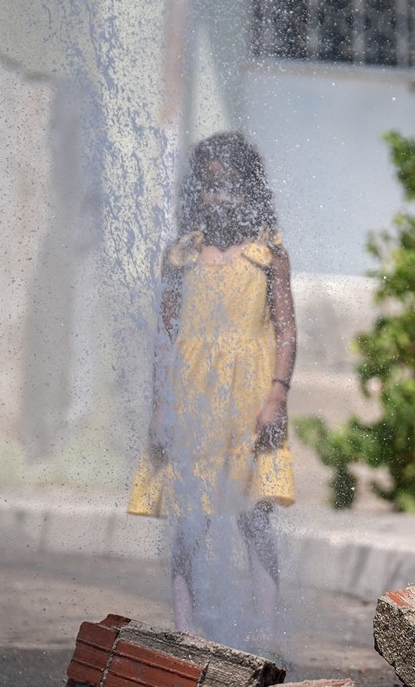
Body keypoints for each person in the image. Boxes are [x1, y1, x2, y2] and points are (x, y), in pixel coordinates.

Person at [127, 132, 296, 656]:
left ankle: (266, 634)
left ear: (251, 191)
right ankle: (187, 629)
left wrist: (277, 396)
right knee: (188, 516)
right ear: (194, 192)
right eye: (209, 187)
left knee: (255, 516)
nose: (218, 197)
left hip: (250, 403)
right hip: (191, 401)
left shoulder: (269, 255)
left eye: (231, 188)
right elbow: (165, 337)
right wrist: (159, 409)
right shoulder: (179, 258)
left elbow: (286, 331)